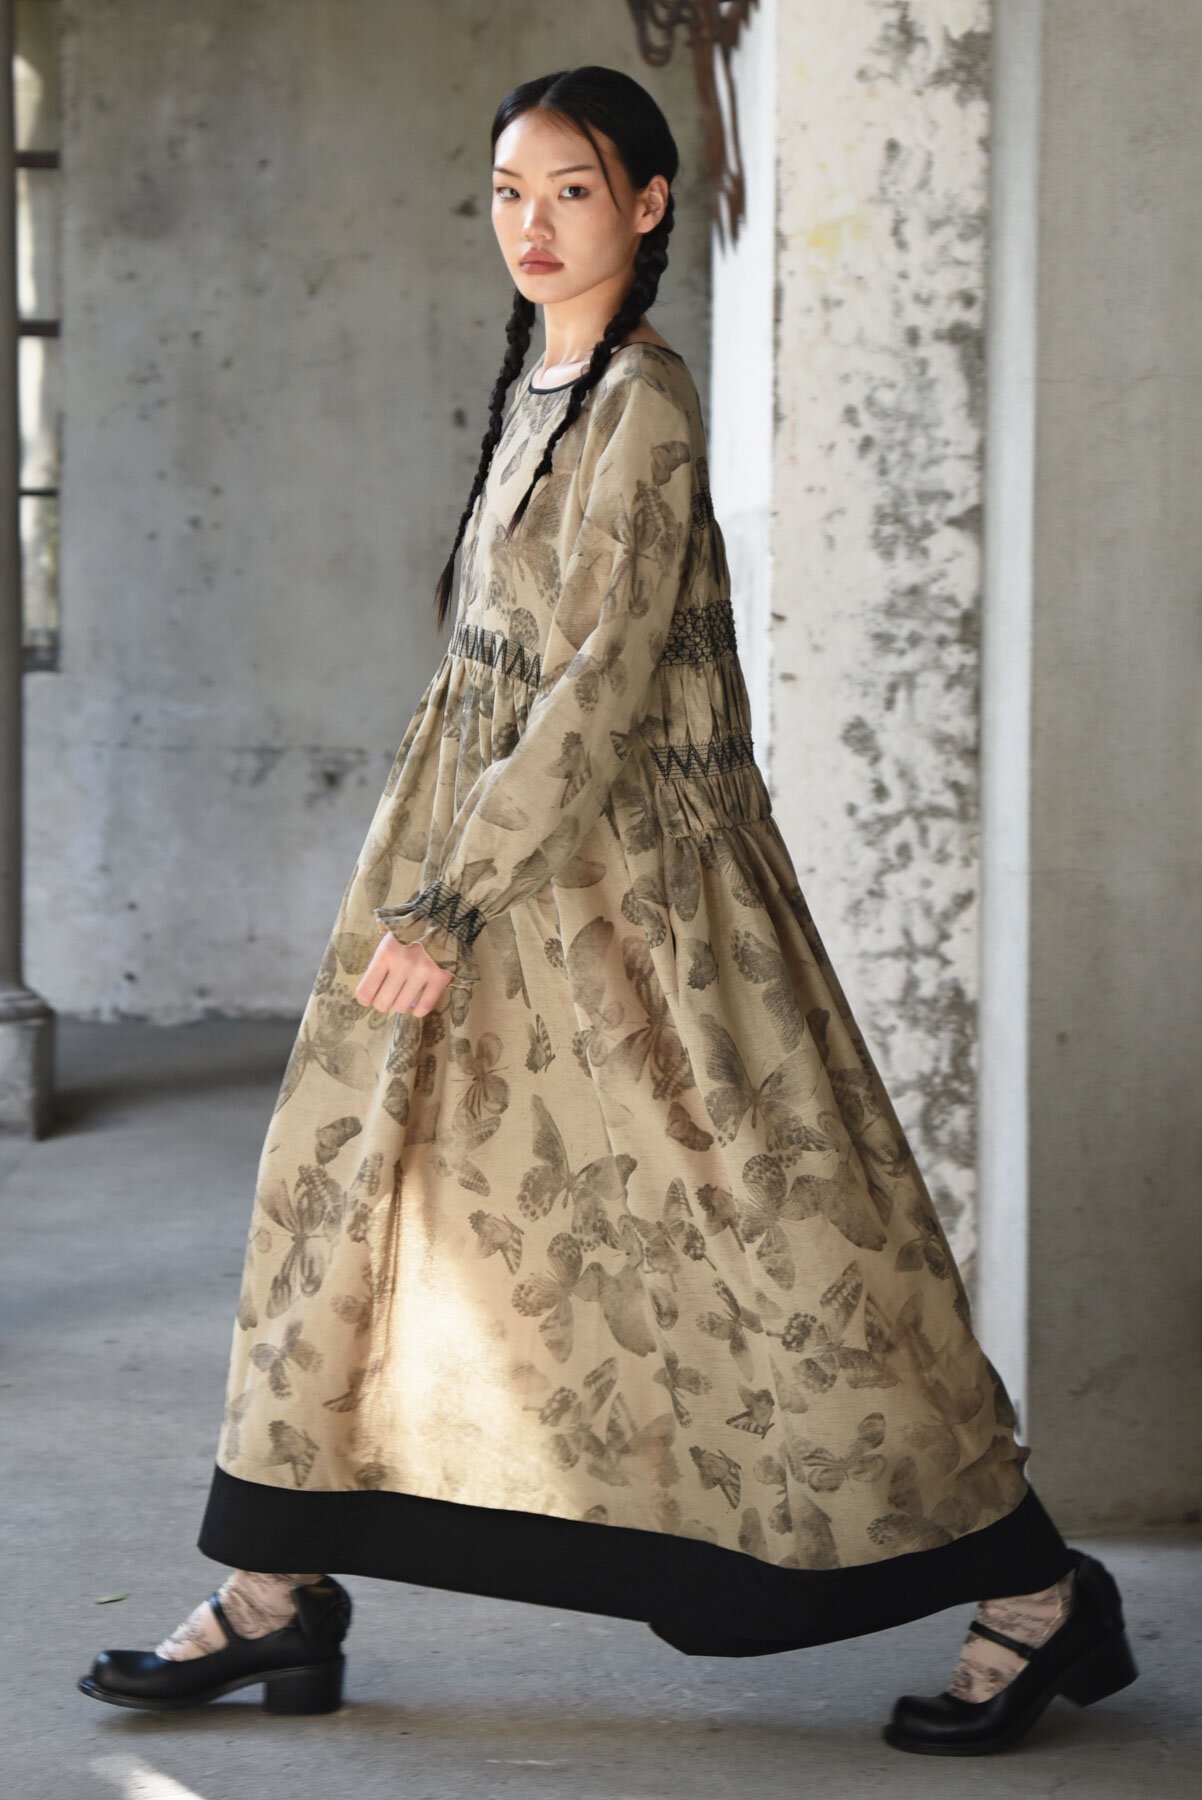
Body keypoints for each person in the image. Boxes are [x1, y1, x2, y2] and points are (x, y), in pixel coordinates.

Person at [79, 66, 1139, 1754]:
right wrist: (444, 879)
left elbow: (597, 682)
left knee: (785, 1234)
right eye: (508, 192)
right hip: (496, 869)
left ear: (647, 206)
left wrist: (448, 900)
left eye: (570, 190)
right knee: (346, 1199)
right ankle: (276, 1586)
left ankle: (1031, 1591)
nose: (532, 223)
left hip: (620, 895)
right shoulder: (541, 383)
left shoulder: (643, 400)